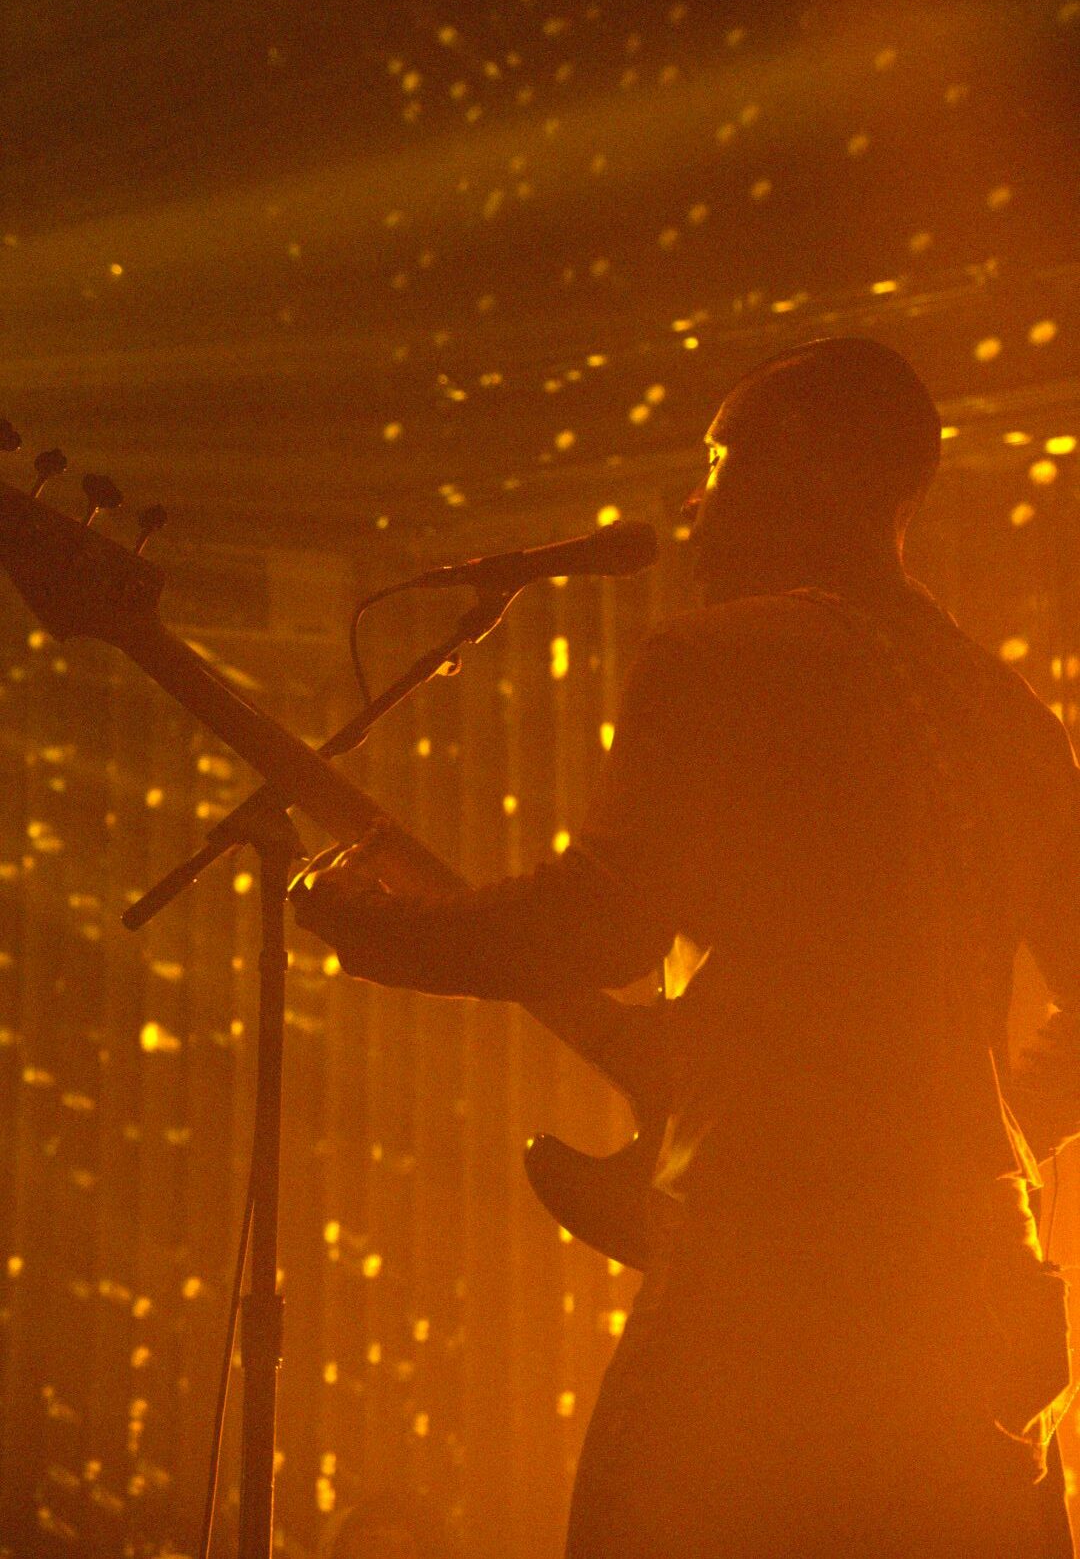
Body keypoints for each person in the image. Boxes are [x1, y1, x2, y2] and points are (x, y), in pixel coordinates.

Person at [293, 337, 1080, 1558]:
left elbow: (600, 918)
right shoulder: (1010, 713)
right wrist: (987, 1131)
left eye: (721, 463)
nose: (696, 509)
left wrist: (388, 934)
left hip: (764, 1286)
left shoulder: (718, 656)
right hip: (976, 1297)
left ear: (807, 467)